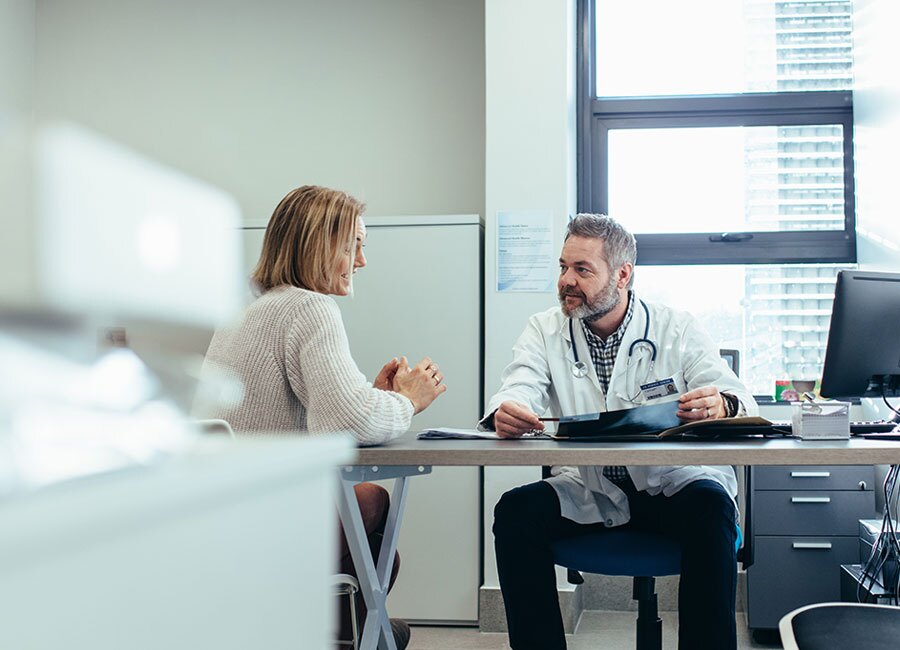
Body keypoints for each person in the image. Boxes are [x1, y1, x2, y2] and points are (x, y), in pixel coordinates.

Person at [481, 213, 758, 650]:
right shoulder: (545, 329)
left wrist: (720, 403)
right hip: (593, 488)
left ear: (623, 274)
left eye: (582, 270)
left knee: (713, 509)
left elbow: (736, 396)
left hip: (673, 487)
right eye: (563, 267)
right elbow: (520, 384)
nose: (566, 281)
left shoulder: (676, 328)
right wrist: (506, 409)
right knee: (515, 513)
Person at [203, 185, 446, 650]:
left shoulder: (244, 307)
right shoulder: (309, 307)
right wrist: (409, 401)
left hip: (220, 515)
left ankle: (355, 633)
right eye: (355, 244)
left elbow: (319, 409)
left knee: (379, 557)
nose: (361, 261)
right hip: (266, 520)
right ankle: (358, 633)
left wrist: (373, 397)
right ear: (321, 243)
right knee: (373, 504)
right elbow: (346, 425)